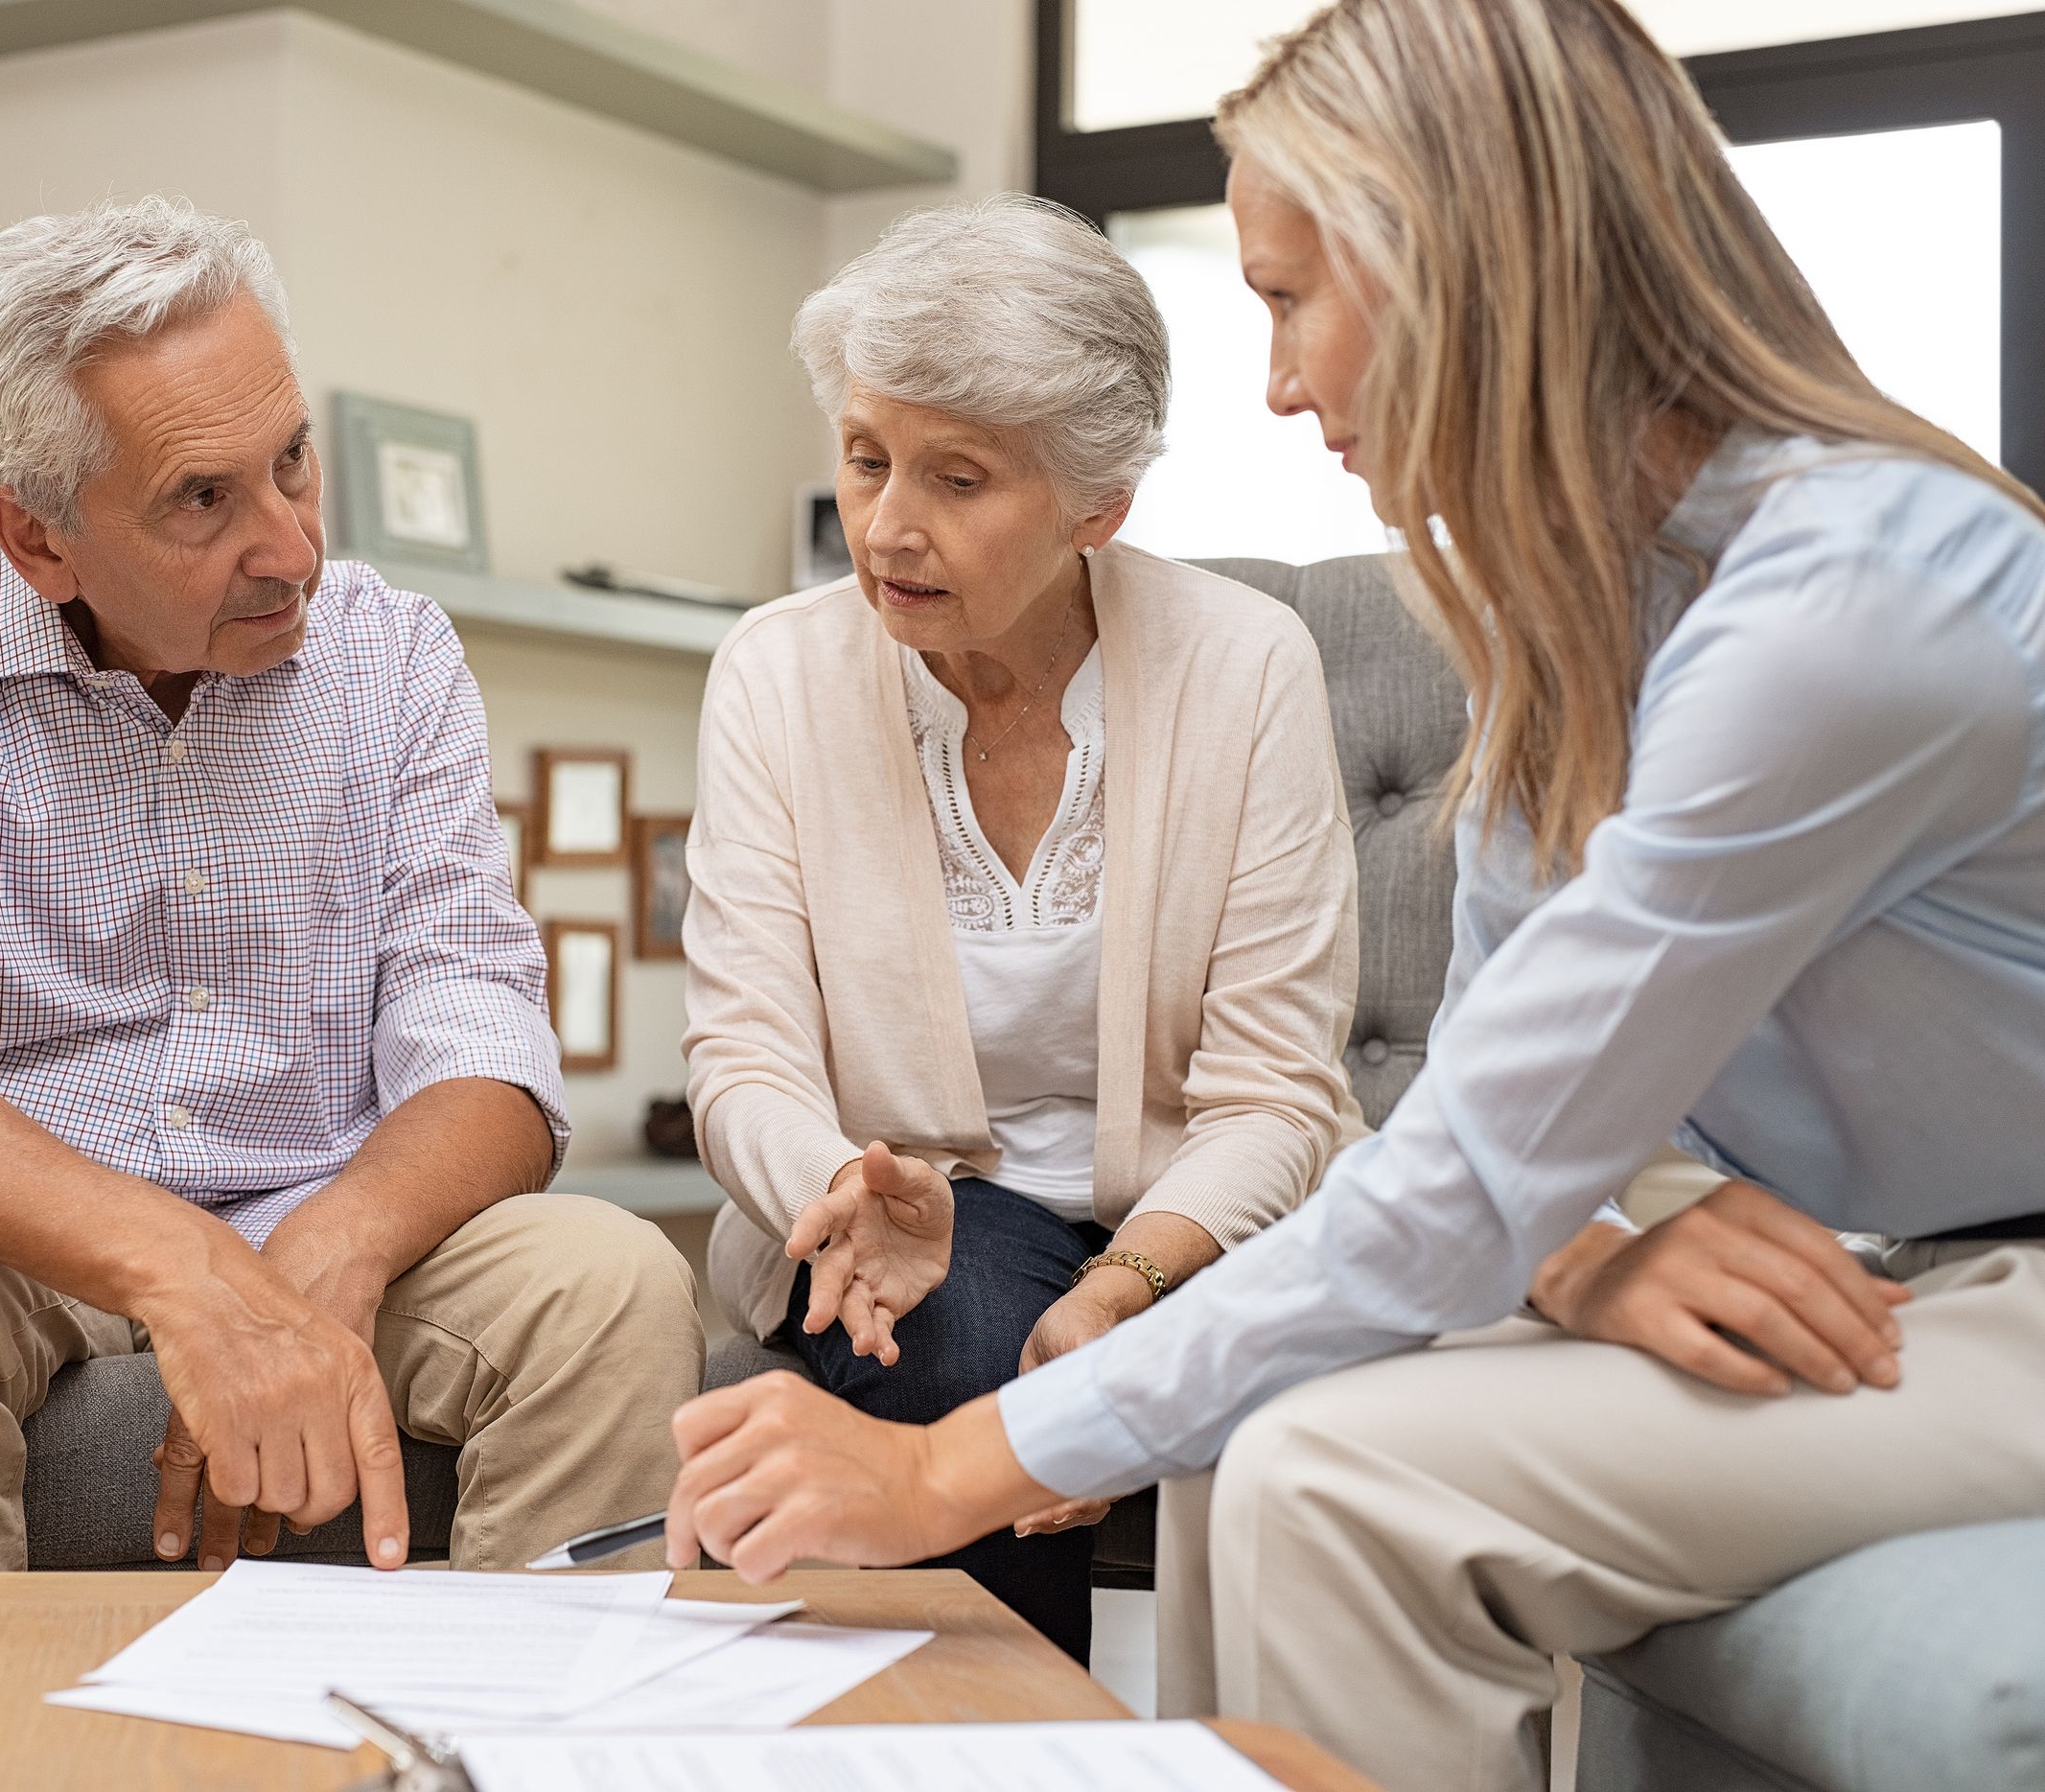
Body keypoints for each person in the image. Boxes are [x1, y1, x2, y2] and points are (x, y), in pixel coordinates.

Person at [663, 3, 2045, 1785]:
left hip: (2003, 1290)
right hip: (1885, 1278)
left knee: (1322, 1476)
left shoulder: (1848, 608)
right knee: (1266, 1435)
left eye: (1286, 298)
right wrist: (1582, 1256)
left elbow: (1450, 1169)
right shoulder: (1586, 628)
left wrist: (950, 1467)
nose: (1278, 381)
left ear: (1456, 270)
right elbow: (1485, 1137)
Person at [0, 198, 702, 1574]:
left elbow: (488, 1048)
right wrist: (187, 1277)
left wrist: (335, 1246)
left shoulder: (397, 656)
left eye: (293, 461)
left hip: (315, 1202)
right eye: (203, 499)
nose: (293, 546)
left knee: (612, 1281)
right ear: (36, 538)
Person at [681, 195, 1362, 1661]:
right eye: (866, 461)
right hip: (902, 1225)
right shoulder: (776, 674)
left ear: (1096, 504)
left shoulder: (1245, 670)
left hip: (1197, 1221)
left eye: (960, 478)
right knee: (959, 1322)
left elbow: (1274, 1092)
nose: (888, 526)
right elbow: (743, 1055)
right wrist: (842, 1195)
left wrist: (1128, 1279)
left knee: (1042, 1331)